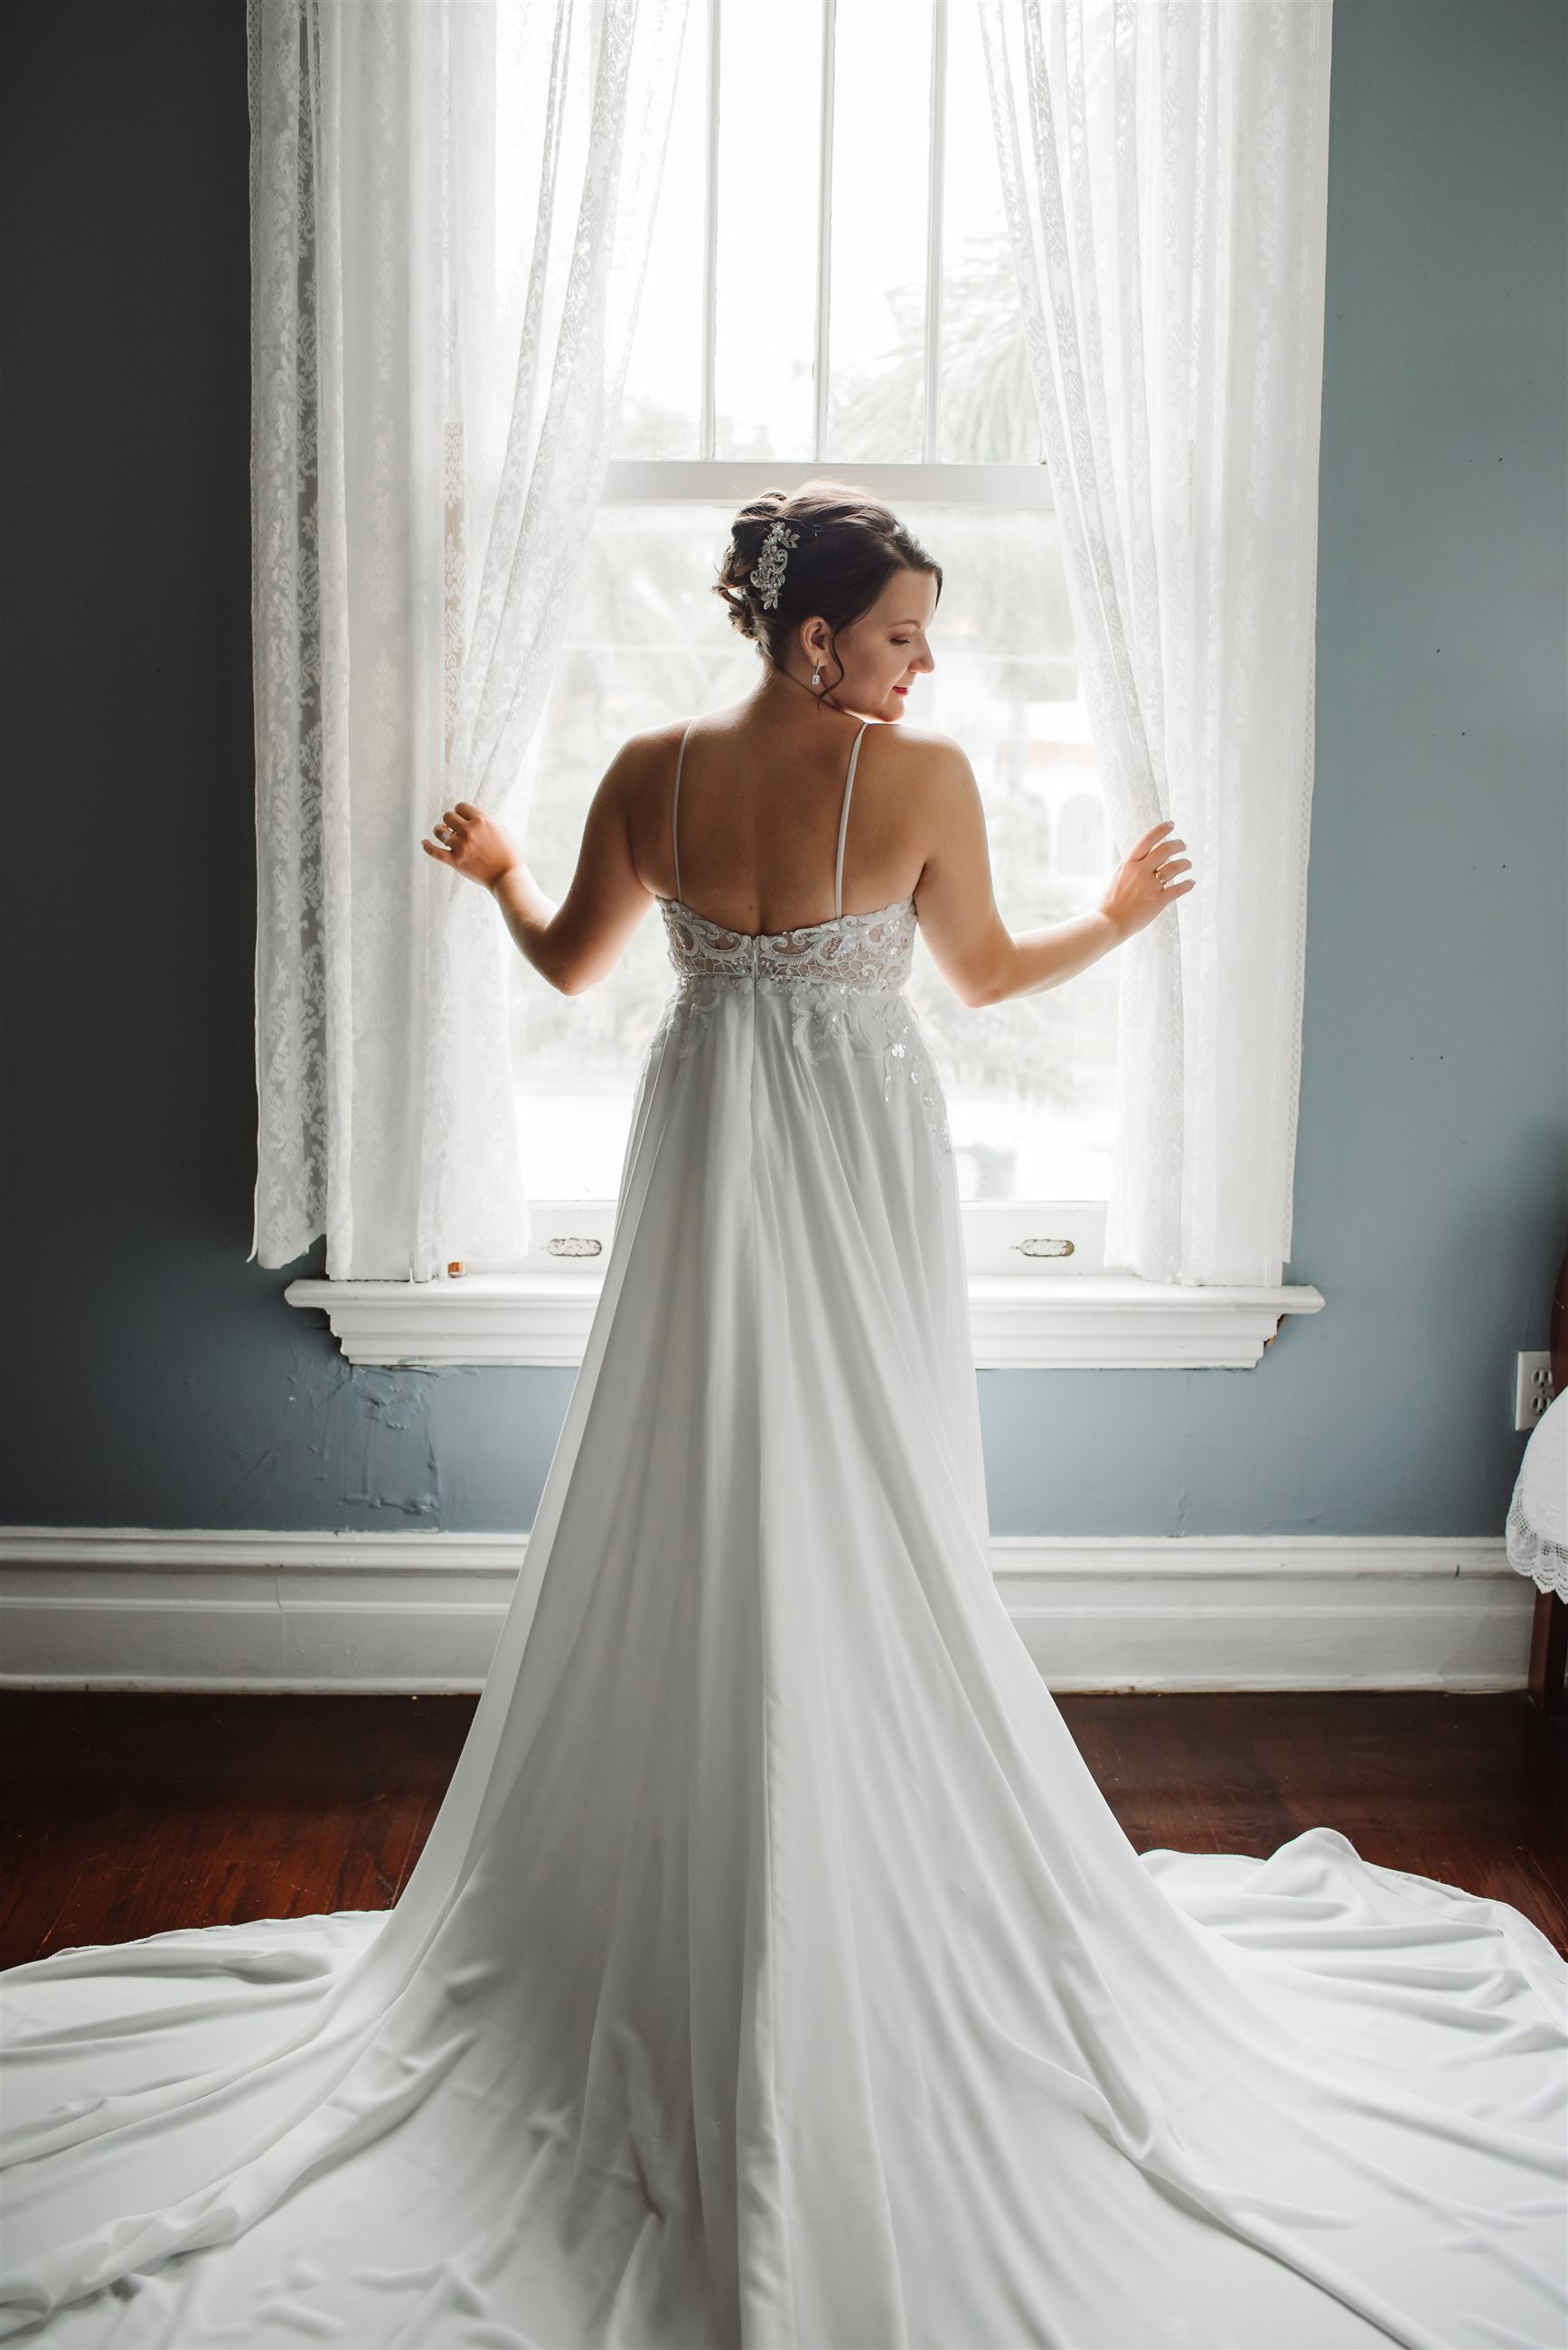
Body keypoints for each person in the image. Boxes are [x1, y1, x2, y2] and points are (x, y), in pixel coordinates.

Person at [1, 484, 1563, 2350]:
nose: (926, 660)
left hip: (706, 1147)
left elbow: (576, 967)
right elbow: (981, 980)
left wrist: (501, 869)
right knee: (871, 1474)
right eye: (902, 631)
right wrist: (1119, 917)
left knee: (701, 1454)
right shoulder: (920, 783)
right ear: (813, 639)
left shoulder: (649, 768)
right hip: (854, 1152)